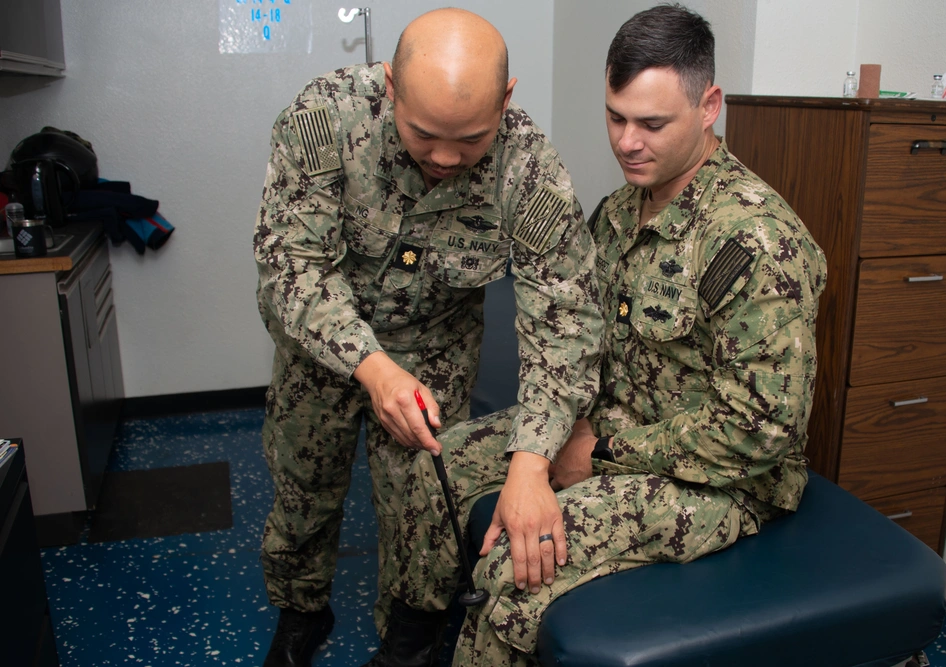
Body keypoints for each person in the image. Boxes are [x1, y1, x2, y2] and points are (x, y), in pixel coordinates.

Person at [370, 4, 829, 666]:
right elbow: (576, 338)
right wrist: (558, 436)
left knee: (516, 564)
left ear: (709, 108)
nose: (627, 142)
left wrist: (604, 452)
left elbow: (760, 430)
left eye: (652, 123)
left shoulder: (753, 241)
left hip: (718, 481)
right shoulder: (618, 212)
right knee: (430, 464)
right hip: (610, 426)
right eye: (616, 117)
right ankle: (408, 649)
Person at [253, 8, 602, 667]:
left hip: (435, 344)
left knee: (426, 498)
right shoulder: (323, 121)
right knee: (303, 483)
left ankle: (408, 633)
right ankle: (301, 610)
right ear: (389, 86)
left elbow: (568, 321)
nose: (446, 157)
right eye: (424, 134)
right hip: (322, 346)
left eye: (470, 138)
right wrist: (372, 366)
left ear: (507, 97)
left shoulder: (527, 169)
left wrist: (532, 457)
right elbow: (289, 268)